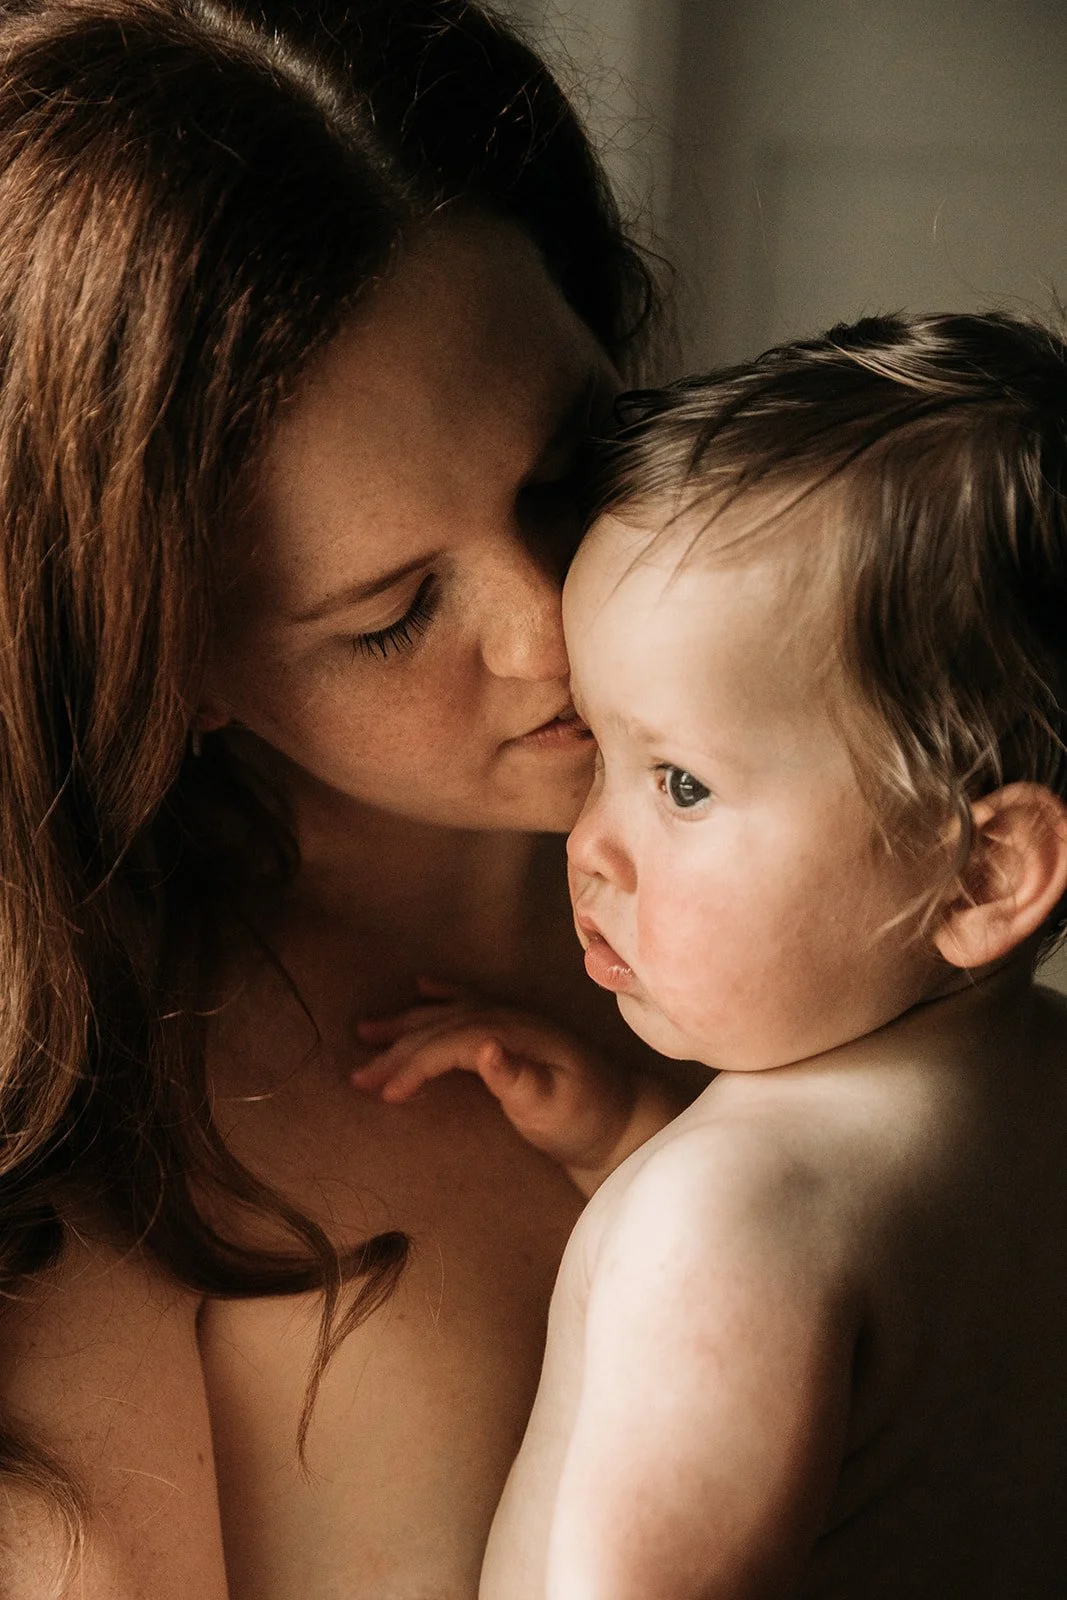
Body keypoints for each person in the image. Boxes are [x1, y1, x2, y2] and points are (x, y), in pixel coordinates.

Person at [0, 2, 671, 1595]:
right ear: (172, 656)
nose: (547, 627)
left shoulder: (882, 885)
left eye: (572, 468)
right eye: (388, 613)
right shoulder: (114, 1153)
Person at [356, 311, 1067, 1597]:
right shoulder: (1021, 1093)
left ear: (981, 873)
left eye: (678, 783)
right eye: (601, 755)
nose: (589, 848)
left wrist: (659, 1190)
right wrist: (622, 1137)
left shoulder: (718, 1222)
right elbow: (898, 1363)